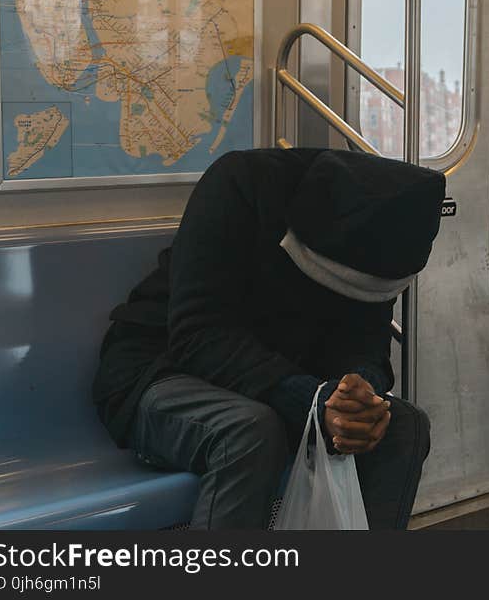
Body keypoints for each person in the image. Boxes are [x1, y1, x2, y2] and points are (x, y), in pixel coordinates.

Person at [92, 148, 446, 529]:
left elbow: (366, 342)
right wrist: (312, 400)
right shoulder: (241, 184)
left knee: (404, 426)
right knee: (250, 431)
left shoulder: (384, 230)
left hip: (281, 383)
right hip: (161, 370)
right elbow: (196, 334)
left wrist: (358, 393)